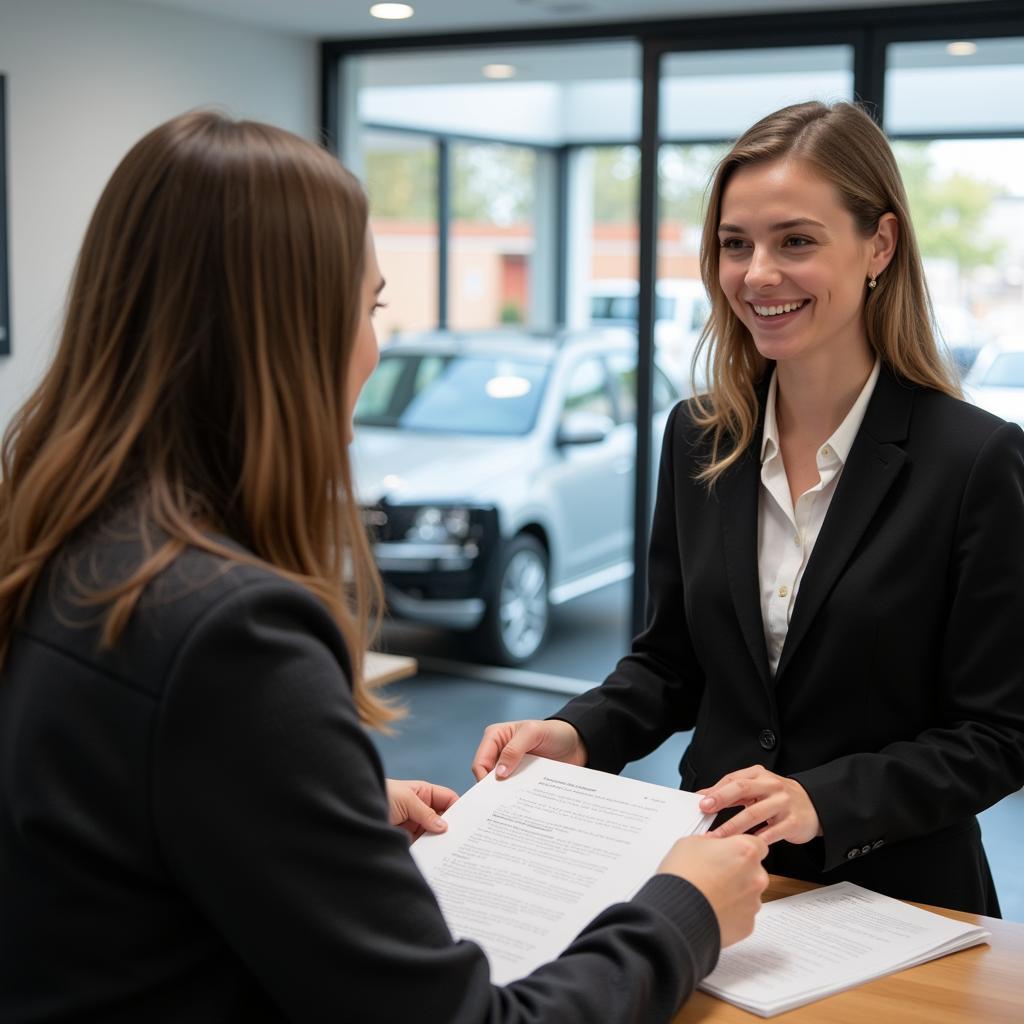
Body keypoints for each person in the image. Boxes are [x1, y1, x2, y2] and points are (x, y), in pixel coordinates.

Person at [0, 111, 769, 1023]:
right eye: (368, 310)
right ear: (287, 334)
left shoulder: (63, 542)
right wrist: (682, 912)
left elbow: (109, 807)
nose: (374, 347)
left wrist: (324, 804)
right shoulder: (232, 628)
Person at [473, 100, 1024, 917]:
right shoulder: (697, 437)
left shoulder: (976, 459)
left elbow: (998, 734)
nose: (757, 273)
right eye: (736, 245)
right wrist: (579, 735)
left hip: (901, 901)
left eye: (795, 241)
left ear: (880, 244)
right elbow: (670, 665)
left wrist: (822, 800)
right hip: (712, 885)